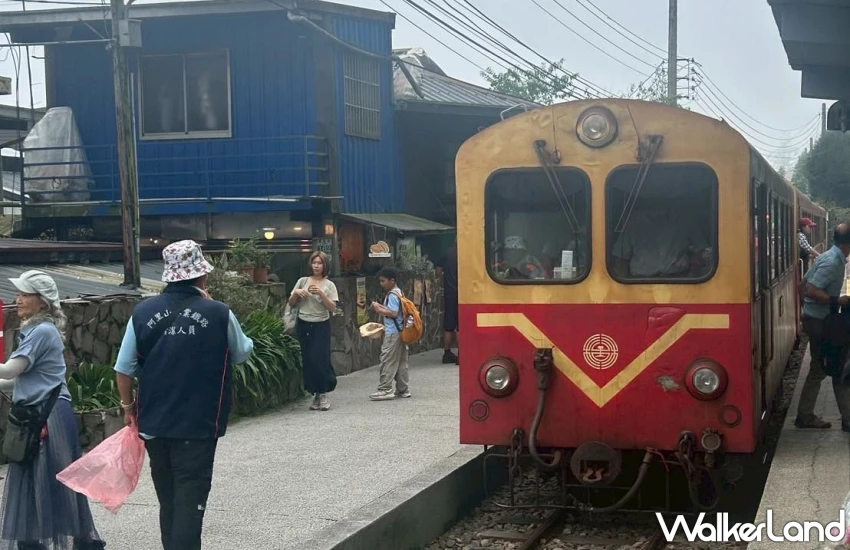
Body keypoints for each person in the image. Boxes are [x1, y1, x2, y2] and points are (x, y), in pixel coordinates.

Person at [113, 240, 254, 550]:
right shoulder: (218, 312)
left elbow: (123, 368)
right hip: (199, 424)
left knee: (170, 501)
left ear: (168, 276)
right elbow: (242, 353)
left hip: (154, 425)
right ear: (202, 277)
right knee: (191, 504)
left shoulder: (143, 312)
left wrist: (128, 407)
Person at [0, 270, 106, 550]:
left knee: (49, 476)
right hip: (42, 411)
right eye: (20, 294)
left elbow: (12, 370)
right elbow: (16, 381)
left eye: (25, 294)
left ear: (42, 301)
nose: (18, 299)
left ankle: (46, 540)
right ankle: (48, 539)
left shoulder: (42, 331)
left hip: (48, 415)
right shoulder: (36, 329)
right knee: (41, 475)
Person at [795, 223, 850, 431]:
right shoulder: (833, 262)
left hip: (816, 319)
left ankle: (810, 414)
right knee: (826, 367)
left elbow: (802, 286)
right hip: (820, 322)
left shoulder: (827, 256)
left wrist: (805, 314)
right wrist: (837, 301)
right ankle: (805, 415)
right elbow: (810, 290)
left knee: (829, 366)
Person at [287, 251, 339, 411]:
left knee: (320, 358)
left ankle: (323, 393)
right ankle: (315, 393)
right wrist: (296, 293)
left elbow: (333, 308)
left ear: (325, 266)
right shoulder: (302, 281)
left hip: (320, 324)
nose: (316, 266)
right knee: (308, 359)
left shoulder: (329, 285)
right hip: (304, 323)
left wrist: (322, 294)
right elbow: (291, 303)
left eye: (320, 263)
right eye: (314, 262)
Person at [368, 267, 411, 401]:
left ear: (392, 281)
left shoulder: (392, 295)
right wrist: (381, 307)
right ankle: (403, 389)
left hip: (393, 333)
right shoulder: (399, 293)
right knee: (401, 361)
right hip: (401, 331)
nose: (381, 284)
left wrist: (378, 309)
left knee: (387, 360)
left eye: (383, 281)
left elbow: (393, 313)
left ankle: (385, 389)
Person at [436, 239, 459, 365]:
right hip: (464, 293)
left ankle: (447, 353)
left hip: (449, 293)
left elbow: (438, 272)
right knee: (461, 327)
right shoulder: (467, 253)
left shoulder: (446, 253)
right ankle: (462, 354)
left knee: (448, 325)